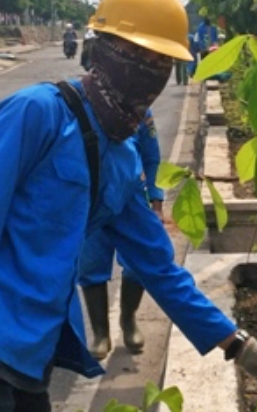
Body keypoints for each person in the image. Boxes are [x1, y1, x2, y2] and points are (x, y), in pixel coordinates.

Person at [0, 0, 257, 411]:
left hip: (33, 356)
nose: (150, 71)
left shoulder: (121, 161)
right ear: (104, 51)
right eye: (138, 55)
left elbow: (159, 269)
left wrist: (241, 346)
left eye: (162, 61)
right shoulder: (37, 112)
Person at [80, 109, 166, 359]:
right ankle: (100, 333)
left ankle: (128, 319)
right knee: (90, 264)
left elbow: (152, 158)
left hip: (131, 201)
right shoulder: (80, 106)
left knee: (137, 262)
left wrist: (156, 203)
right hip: (92, 202)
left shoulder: (138, 107)